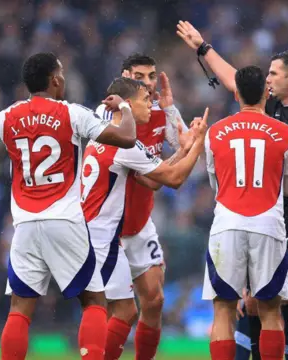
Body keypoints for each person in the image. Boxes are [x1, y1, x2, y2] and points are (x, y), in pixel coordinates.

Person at [0, 52, 138, 360]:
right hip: (65, 220)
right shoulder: (72, 113)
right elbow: (126, 137)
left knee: (20, 309)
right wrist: (123, 106)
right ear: (55, 80)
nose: (65, 80)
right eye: (63, 74)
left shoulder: (10, 116)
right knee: (94, 301)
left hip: (26, 226)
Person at [177, 20, 288, 360]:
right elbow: (236, 81)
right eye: (266, 76)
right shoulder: (277, 118)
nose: (268, 80)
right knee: (264, 306)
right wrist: (203, 48)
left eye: (274, 73)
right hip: (272, 222)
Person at [82, 77, 207, 360]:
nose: (150, 103)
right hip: (100, 237)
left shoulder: (105, 133)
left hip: (93, 232)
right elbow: (173, 179)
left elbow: (156, 176)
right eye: (143, 99)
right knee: (109, 310)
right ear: (126, 105)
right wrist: (197, 143)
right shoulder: (126, 143)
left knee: (125, 309)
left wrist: (184, 150)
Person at [203, 65, 288, 360]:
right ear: (265, 93)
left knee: (223, 310)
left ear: (237, 95)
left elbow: (215, 183)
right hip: (268, 225)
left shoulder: (214, 132)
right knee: (270, 310)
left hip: (227, 224)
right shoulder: (287, 133)